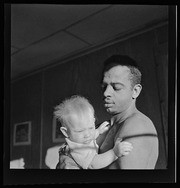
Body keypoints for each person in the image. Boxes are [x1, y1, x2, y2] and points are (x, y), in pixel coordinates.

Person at [57, 55, 159, 169]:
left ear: (135, 91)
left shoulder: (138, 126)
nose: (106, 93)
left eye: (116, 87)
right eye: (104, 86)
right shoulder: (102, 127)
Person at [54, 95, 133, 169]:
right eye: (80, 131)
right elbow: (93, 164)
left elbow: (90, 137)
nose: (88, 134)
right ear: (65, 132)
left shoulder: (81, 139)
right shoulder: (78, 149)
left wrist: (98, 131)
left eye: (91, 128)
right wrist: (114, 153)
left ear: (93, 121)